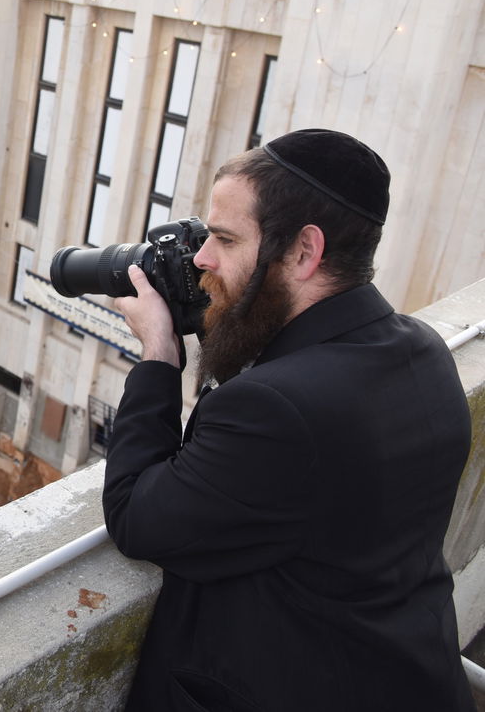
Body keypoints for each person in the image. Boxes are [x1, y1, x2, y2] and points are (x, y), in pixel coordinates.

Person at [103, 128, 472, 711]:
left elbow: (136, 518)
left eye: (223, 239)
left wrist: (159, 353)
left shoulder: (275, 408)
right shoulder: (420, 349)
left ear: (304, 251)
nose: (201, 259)